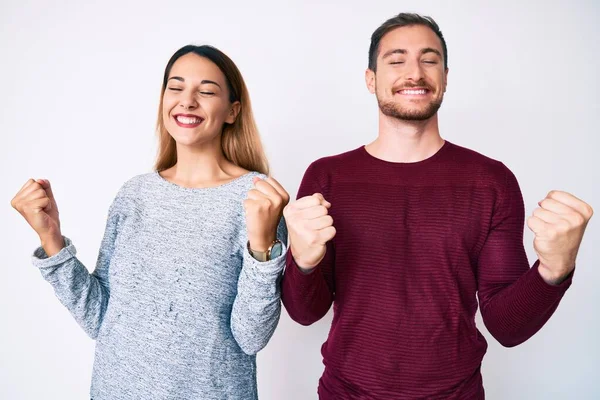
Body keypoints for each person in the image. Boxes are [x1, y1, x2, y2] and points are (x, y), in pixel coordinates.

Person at [281, 13, 593, 399]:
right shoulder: (326, 177)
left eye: (429, 60)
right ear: (370, 79)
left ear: (445, 76)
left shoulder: (491, 181)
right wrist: (304, 262)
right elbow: (304, 312)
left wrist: (555, 269)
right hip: (346, 393)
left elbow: (506, 328)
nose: (414, 72)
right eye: (396, 60)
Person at [11, 44, 289, 399]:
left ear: (232, 111)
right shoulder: (135, 194)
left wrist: (263, 250)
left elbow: (251, 337)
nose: (187, 101)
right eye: (175, 87)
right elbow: (101, 318)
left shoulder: (257, 198)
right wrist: (50, 237)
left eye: (206, 91)